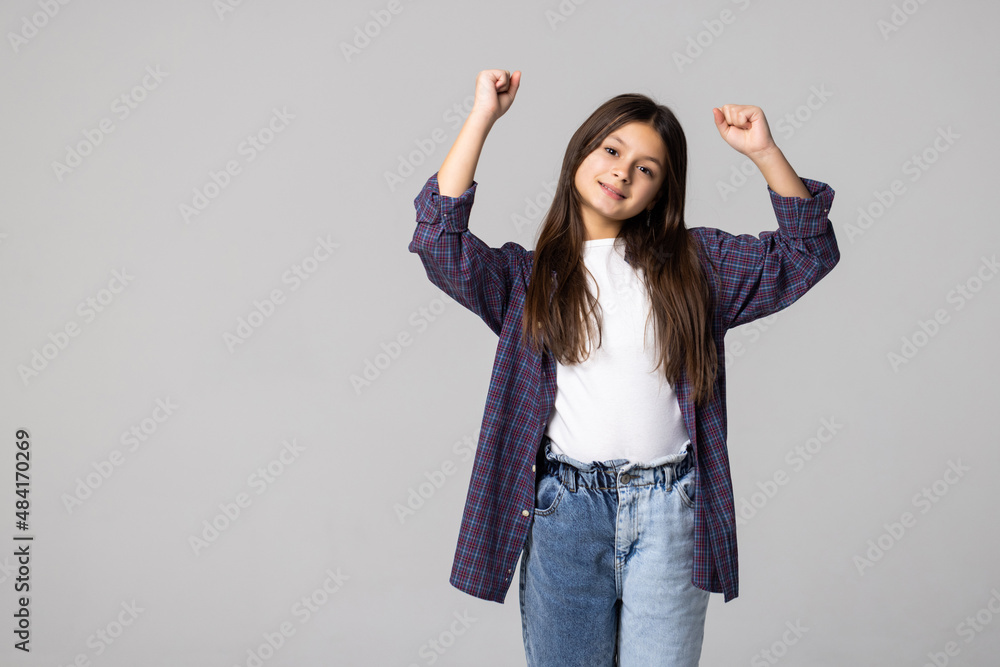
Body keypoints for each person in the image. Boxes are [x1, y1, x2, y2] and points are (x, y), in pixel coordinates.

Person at [408, 69, 840, 667]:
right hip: (564, 508)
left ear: (660, 192)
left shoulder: (698, 264)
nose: (623, 171)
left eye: (647, 169)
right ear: (582, 152)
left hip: (670, 512)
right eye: (613, 150)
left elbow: (807, 252)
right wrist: (482, 117)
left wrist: (764, 152)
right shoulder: (524, 280)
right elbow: (439, 242)